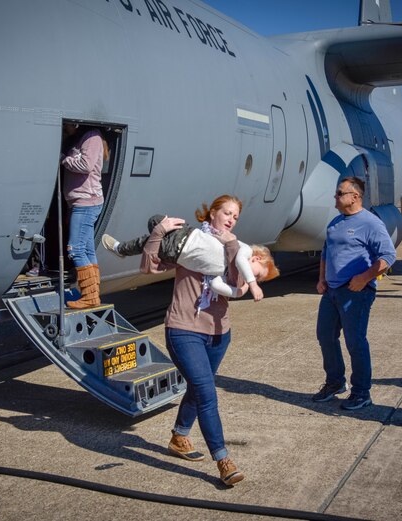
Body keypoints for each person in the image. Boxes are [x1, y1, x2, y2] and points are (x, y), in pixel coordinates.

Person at [139, 195, 246, 486]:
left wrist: (232, 246)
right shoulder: (188, 241)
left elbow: (237, 286)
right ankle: (224, 461)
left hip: (219, 332)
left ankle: (179, 436)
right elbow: (149, 267)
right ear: (213, 213)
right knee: (207, 392)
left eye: (235, 216)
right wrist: (158, 232)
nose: (231, 219)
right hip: (184, 328)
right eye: (226, 213)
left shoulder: (231, 246)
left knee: (199, 388)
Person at [312, 177, 396, 410]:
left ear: (355, 197)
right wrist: (321, 279)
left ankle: (361, 392)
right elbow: (325, 253)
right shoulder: (335, 223)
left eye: (340, 193)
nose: (336, 197)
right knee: (325, 336)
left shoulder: (371, 223)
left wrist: (364, 278)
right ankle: (335, 383)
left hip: (356, 293)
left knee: (355, 342)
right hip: (332, 291)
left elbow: (388, 256)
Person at [101, 215, 279, 302]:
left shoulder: (226, 272)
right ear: (257, 258)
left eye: (257, 279)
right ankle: (123, 248)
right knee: (157, 222)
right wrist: (252, 285)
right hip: (188, 234)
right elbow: (241, 261)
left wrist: (236, 292)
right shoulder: (244, 251)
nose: (254, 278)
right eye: (258, 275)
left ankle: (120, 249)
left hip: (180, 250)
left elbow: (216, 285)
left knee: (150, 241)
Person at [61, 122, 108, 309]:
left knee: (76, 249)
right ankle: (92, 295)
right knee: (87, 250)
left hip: (86, 201)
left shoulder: (91, 137)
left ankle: (89, 297)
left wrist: (63, 159)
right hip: (81, 201)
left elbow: (85, 165)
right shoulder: (83, 138)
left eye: (68, 124)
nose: (66, 127)